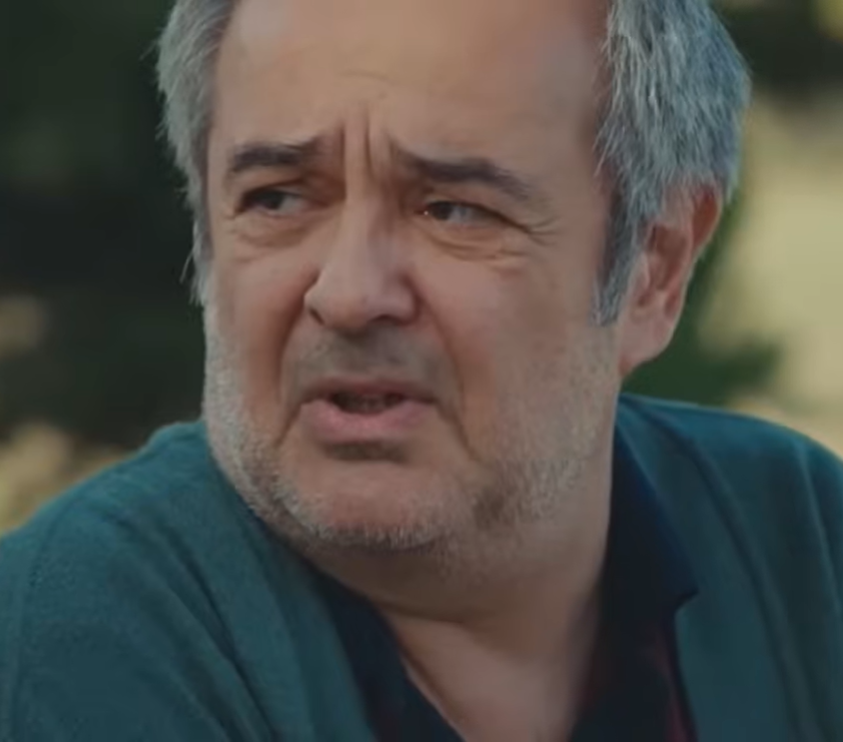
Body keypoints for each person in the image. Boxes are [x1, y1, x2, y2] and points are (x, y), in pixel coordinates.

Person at [1, 0, 841, 739]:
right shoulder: (77, 640)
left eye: (452, 209)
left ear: (655, 266)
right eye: (278, 197)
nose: (347, 294)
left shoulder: (802, 546)